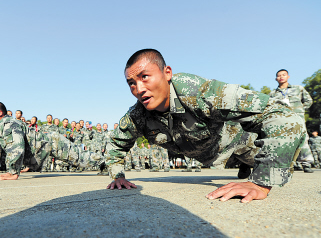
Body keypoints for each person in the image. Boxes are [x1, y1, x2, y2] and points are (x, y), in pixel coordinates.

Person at [106, 49, 306, 203]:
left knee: (272, 161)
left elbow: (285, 117)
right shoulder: (137, 115)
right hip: (209, 155)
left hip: (241, 143)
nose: (138, 89)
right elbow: (116, 145)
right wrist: (118, 176)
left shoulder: (200, 93)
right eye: (131, 83)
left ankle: (250, 165)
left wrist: (261, 183)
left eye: (144, 77)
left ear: (167, 73)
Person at [0, 102, 101, 180]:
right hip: (47, 144)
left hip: (53, 143)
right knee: (80, 159)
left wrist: (13, 172)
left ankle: (107, 162)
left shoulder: (9, 124)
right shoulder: (3, 126)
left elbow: (17, 147)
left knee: (81, 159)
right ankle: (105, 163)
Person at [269, 69, 314, 173]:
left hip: (297, 118)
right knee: (284, 141)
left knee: (302, 139)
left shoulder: (298, 88)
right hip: (282, 120)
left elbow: (309, 100)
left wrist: (301, 109)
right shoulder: (272, 94)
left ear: (288, 76)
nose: (281, 77)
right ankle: (293, 164)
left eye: (284, 75)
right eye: (279, 75)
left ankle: (306, 163)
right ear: (276, 79)